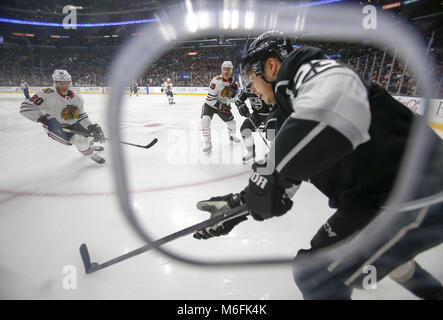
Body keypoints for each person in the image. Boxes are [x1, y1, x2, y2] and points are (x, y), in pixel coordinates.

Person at [193, 31, 443, 299]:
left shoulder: (300, 66)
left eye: (250, 79)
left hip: (416, 186)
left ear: (271, 66)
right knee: (381, 254)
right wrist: (235, 207)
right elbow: (283, 185)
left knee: (317, 274)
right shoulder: (287, 116)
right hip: (379, 196)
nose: (250, 89)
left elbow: (337, 97)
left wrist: (273, 174)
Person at [19, 69, 106, 164]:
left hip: (73, 123)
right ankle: (92, 155)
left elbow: (81, 116)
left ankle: (90, 147)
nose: (64, 86)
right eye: (60, 83)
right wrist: (45, 119)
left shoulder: (77, 98)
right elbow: (25, 107)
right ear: (55, 83)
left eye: (66, 82)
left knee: (89, 136)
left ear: (70, 82)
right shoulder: (45, 94)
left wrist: (91, 126)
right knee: (79, 141)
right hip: (56, 127)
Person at [201, 60, 241, 153]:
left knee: (232, 123)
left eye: (228, 69)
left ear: (231, 71)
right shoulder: (216, 80)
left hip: (223, 105)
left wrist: (233, 94)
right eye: (224, 69)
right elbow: (210, 99)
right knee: (205, 120)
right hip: (211, 105)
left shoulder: (235, 84)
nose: (226, 71)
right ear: (221, 70)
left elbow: (234, 99)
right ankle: (207, 142)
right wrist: (221, 106)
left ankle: (232, 136)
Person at [235, 83, 274, 162]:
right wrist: (241, 107)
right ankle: (251, 152)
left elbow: (276, 104)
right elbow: (238, 100)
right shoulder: (247, 88)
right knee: (245, 129)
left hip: (271, 114)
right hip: (256, 114)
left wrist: (271, 119)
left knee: (272, 133)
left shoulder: (267, 85)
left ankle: (275, 152)